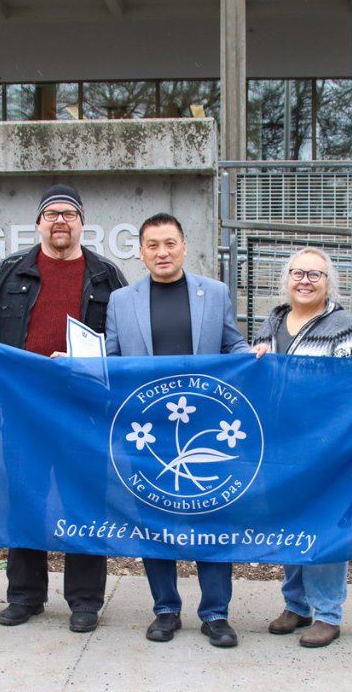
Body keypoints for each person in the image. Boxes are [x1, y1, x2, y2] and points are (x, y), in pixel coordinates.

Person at [0, 184, 127, 633]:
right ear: (39, 222)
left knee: (84, 501)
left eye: (69, 214)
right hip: (23, 408)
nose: (60, 221)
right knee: (26, 498)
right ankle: (25, 595)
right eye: (52, 214)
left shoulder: (105, 276)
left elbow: (122, 341)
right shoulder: (9, 271)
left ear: (82, 222)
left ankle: (84, 600)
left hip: (84, 411)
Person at [105, 212, 249, 648]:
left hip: (204, 428)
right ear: (142, 252)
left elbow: (232, 344)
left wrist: (253, 353)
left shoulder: (215, 292)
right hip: (148, 432)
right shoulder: (121, 300)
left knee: (213, 518)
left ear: (184, 246)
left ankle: (216, 613)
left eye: (170, 243)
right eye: (152, 245)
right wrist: (74, 362)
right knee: (154, 517)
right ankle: (165, 609)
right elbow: (108, 360)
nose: (162, 252)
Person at [250, 246, 352, 648]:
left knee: (323, 524)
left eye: (315, 274)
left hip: (326, 449)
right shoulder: (272, 322)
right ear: (286, 279)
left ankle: (328, 612)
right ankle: (296, 605)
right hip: (280, 447)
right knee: (290, 522)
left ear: (328, 282)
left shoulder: (344, 327)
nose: (305, 281)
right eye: (298, 273)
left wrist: (340, 445)